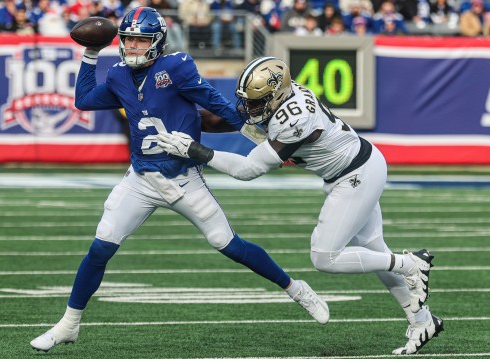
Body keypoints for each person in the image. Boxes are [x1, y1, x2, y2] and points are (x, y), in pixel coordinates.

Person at [29, 8, 329, 353]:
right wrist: (90, 53)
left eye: (141, 40)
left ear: (157, 42)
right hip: (141, 178)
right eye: (127, 39)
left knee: (228, 244)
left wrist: (270, 142)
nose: (133, 47)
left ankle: (296, 288)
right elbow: (83, 100)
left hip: (184, 176)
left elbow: (219, 106)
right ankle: (68, 325)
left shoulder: (176, 67)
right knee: (100, 247)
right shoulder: (117, 75)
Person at [155, 56, 445, 355]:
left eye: (256, 102)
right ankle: (422, 320)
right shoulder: (280, 98)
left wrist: (196, 150)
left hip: (356, 174)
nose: (248, 108)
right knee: (375, 252)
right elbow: (229, 120)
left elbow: (248, 170)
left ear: (277, 94)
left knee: (325, 257)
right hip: (354, 169)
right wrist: (176, 115)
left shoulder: (294, 117)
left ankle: (411, 263)